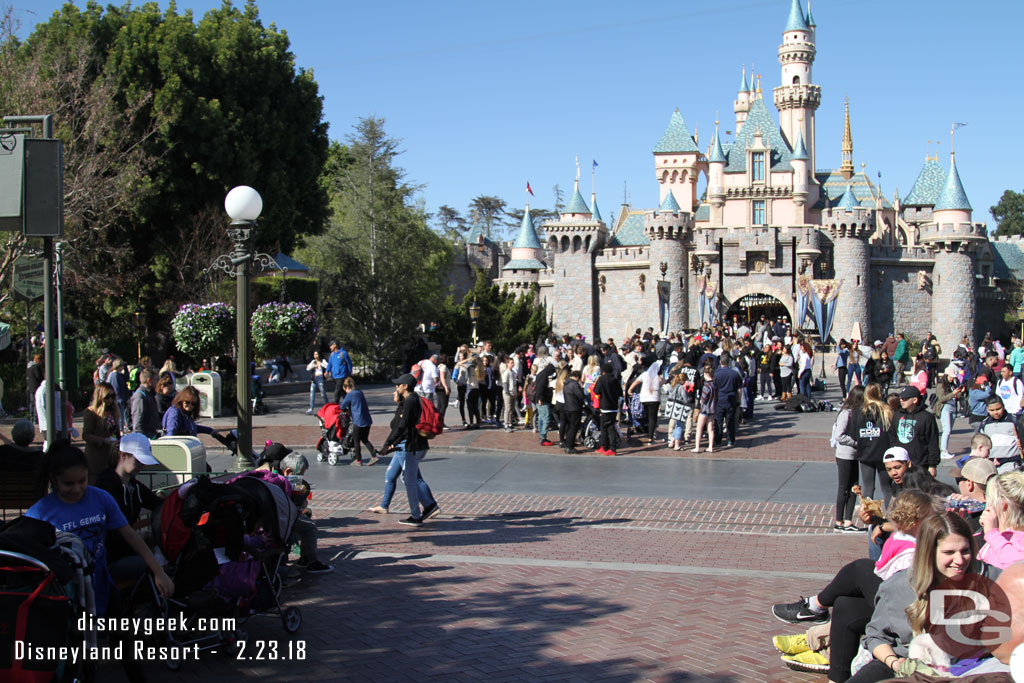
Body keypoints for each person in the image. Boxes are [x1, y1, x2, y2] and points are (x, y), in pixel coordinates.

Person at [26, 441, 174, 617]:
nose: (77, 489)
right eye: (68, 484)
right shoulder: (39, 512)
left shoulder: (100, 498)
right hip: (63, 594)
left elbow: (130, 535)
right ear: (54, 479)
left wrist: (158, 571)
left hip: (100, 585)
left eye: (82, 481)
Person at [853, 512, 977, 682]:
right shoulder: (898, 587)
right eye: (949, 552)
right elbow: (876, 635)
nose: (960, 560)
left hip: (965, 669)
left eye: (965, 551)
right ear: (928, 553)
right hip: (906, 665)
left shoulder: (987, 580)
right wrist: (895, 664)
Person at [367, 373, 439, 526]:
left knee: (410, 481)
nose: (396, 387)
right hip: (414, 445)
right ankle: (424, 509)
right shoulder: (412, 399)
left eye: (398, 385)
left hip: (412, 446)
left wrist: (388, 443)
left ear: (405, 387)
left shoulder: (410, 400)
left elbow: (403, 425)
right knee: (406, 478)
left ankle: (416, 515)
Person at [95, 433, 163, 568]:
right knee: (152, 566)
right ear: (123, 455)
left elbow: (157, 503)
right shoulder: (105, 485)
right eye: (138, 461)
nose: (142, 466)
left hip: (129, 549)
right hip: (111, 556)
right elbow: (116, 530)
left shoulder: (133, 485)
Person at [849, 383, 894, 504]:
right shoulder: (886, 410)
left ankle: (869, 517)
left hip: (865, 453)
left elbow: (853, 434)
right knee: (887, 488)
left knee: (868, 487)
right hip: (884, 453)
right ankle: (890, 517)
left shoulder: (858, 412)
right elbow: (892, 432)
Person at [832, 385, 865, 532]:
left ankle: (848, 520)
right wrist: (855, 442)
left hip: (853, 455)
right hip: (845, 454)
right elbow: (839, 435)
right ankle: (839, 520)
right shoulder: (846, 413)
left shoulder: (855, 413)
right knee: (844, 487)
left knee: (854, 486)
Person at [977, 471, 1024, 569]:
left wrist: (992, 534)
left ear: (1003, 504)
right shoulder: (1000, 537)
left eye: (989, 500)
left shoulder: (1012, 540)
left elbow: (1019, 568)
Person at [889, 386, 940, 476]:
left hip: (920, 464)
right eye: (900, 398)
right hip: (901, 463)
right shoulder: (897, 415)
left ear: (915, 400)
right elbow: (892, 436)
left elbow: (933, 442)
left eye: (905, 398)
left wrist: (932, 465)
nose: (901, 400)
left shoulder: (926, 417)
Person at [82, 381, 122, 482]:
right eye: (107, 397)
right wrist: (103, 440)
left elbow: (116, 432)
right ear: (100, 397)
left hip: (111, 457)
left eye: (113, 396)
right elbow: (86, 435)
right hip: (97, 459)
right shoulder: (91, 413)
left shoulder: (113, 411)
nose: (110, 400)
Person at [339, 377, 378, 466]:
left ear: (345, 387)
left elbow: (342, 406)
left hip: (358, 420)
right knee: (365, 439)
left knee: (356, 440)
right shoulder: (359, 392)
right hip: (367, 419)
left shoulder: (350, 395)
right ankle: (374, 456)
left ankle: (358, 460)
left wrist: (346, 410)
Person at [980, 395, 1024, 472]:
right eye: (992, 410)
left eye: (998, 409)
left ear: (1003, 406)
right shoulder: (985, 424)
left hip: (1011, 461)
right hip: (993, 461)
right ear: (987, 409)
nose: (996, 412)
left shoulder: (1014, 420)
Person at [628, 356, 663, 445]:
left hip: (644, 398)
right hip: (654, 399)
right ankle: (650, 437)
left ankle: (644, 430)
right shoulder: (658, 377)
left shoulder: (645, 374)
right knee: (652, 418)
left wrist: (630, 390)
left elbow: (636, 382)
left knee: (646, 416)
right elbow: (664, 383)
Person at [934, 365, 965, 461]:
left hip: (953, 407)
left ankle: (945, 449)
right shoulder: (941, 385)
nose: (952, 379)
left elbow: (957, 397)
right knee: (946, 430)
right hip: (945, 407)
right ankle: (943, 451)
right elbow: (942, 398)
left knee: (949, 429)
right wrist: (953, 393)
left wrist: (961, 392)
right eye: (951, 376)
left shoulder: (953, 384)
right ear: (946, 375)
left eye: (954, 377)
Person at [592, 362, 622, 456]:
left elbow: (596, 391)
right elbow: (620, 393)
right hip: (613, 407)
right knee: (609, 427)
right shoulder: (615, 379)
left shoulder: (602, 379)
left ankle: (609, 448)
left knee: (605, 428)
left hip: (605, 406)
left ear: (603, 371)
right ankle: (606, 446)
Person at [713, 360, 742, 448]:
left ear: (720, 361)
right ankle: (730, 440)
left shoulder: (716, 373)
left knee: (718, 421)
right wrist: (739, 401)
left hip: (719, 399)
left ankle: (718, 440)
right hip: (731, 399)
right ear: (728, 362)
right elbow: (739, 389)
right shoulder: (735, 373)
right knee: (730, 421)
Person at [692, 362, 718, 454]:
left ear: (707, 374)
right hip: (712, 409)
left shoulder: (706, 385)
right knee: (710, 429)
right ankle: (710, 446)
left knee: (699, 428)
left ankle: (697, 447)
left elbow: (703, 399)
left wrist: (701, 402)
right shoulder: (714, 385)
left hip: (704, 409)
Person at [130, 368, 160, 438]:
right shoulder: (140, 396)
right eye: (156, 380)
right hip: (145, 437)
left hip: (152, 434)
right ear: (149, 381)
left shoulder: (149, 394)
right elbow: (138, 421)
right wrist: (141, 440)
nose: (157, 383)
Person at [561, 370, 585, 453]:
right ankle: (570, 446)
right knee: (573, 428)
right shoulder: (575, 384)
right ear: (577, 377)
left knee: (569, 427)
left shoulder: (566, 384)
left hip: (567, 407)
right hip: (575, 408)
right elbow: (581, 396)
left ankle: (569, 443)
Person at [534, 358, 557, 446]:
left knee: (540, 418)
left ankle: (541, 435)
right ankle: (543, 437)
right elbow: (540, 388)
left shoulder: (540, 374)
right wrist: (540, 399)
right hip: (542, 400)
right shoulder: (544, 376)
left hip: (539, 399)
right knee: (546, 418)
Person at [327, 339, 353, 404]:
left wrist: (349, 373)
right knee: (343, 392)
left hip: (342, 375)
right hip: (335, 376)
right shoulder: (332, 354)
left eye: (331, 345)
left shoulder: (343, 353)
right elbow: (330, 363)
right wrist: (327, 371)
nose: (330, 347)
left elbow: (349, 364)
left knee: (337, 392)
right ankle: (348, 406)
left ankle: (336, 406)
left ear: (335, 345)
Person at [306, 350, 328, 415]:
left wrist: (321, 364)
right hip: (314, 379)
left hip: (320, 378)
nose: (315, 356)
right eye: (314, 354)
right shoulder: (313, 361)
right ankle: (311, 408)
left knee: (323, 393)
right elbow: (307, 368)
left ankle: (327, 406)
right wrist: (313, 366)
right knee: (312, 394)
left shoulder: (323, 361)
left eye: (317, 354)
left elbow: (327, 366)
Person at [500, 356, 517, 433]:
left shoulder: (513, 372)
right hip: (508, 393)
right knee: (507, 409)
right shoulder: (506, 373)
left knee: (511, 409)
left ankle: (510, 423)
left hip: (513, 392)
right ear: (507, 364)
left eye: (513, 362)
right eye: (511, 363)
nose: (513, 364)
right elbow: (505, 383)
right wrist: (507, 392)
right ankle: (506, 424)